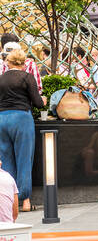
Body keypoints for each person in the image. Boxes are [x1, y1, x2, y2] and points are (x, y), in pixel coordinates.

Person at [0, 49, 44, 213]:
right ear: (24, 63)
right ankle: (25, 201)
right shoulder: (27, 77)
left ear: (8, 62)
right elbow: (38, 103)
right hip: (21, 119)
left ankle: (9, 202)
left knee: (5, 160)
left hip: (2, 119)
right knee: (24, 158)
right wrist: (44, 99)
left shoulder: (1, 79)